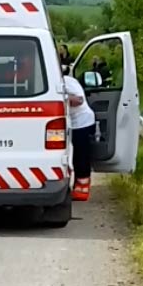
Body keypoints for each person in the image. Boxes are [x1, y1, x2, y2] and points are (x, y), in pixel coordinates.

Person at [62, 65, 97, 201]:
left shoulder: (67, 81)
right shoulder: (59, 81)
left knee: (81, 156)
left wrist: (62, 97)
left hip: (83, 122)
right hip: (74, 123)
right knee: (75, 156)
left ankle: (83, 189)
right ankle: (78, 186)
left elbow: (79, 100)